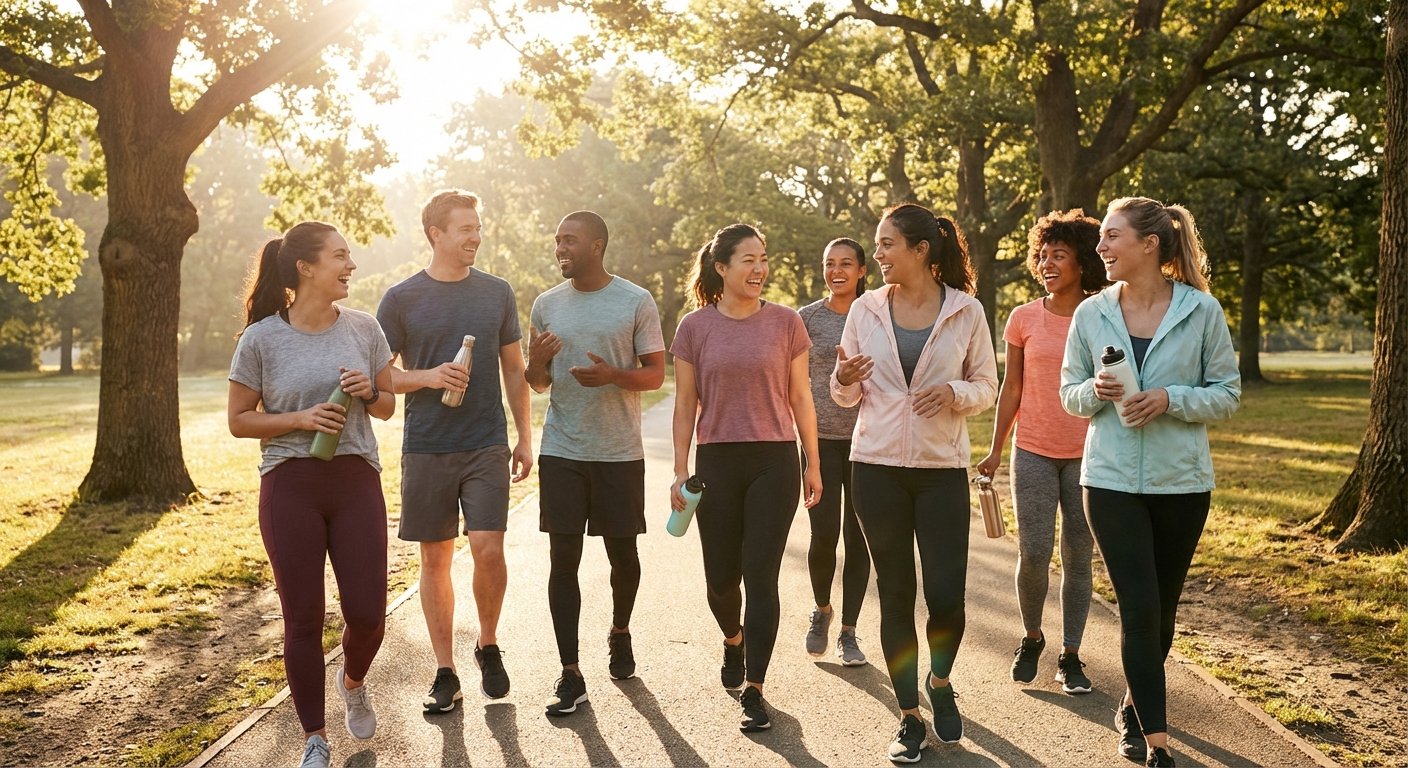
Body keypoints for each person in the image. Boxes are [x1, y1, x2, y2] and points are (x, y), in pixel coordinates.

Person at [1060, 197, 1240, 768]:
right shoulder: (1091, 313)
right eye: (1102, 239)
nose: (1101, 248)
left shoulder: (1201, 311)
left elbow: (1228, 395)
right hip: (1109, 481)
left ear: (1150, 244)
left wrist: (1170, 398)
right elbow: (1069, 395)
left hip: (1181, 484)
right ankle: (1156, 743)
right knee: (1138, 608)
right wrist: (1096, 392)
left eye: (1112, 236)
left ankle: (1136, 707)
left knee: (1161, 612)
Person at [832, 203, 997, 763]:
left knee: (946, 596)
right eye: (876, 246)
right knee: (896, 592)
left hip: (939, 471)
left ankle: (941, 681)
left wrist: (954, 394)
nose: (875, 256)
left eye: (885, 245)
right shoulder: (865, 310)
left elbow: (986, 387)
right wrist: (842, 378)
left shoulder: (966, 312)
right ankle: (907, 715)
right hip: (874, 467)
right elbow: (845, 395)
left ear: (921, 250)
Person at [227, 222, 394, 768]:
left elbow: (388, 404)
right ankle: (315, 738)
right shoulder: (261, 339)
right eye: (340, 256)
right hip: (290, 484)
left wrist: (370, 391)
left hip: (354, 479)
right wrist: (299, 418)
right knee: (303, 616)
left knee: (368, 613)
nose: (350, 266)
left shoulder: (365, 329)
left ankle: (353, 680)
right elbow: (238, 421)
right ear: (306, 267)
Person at [376, 190, 533, 713]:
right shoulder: (401, 299)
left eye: (477, 226)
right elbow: (380, 377)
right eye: (465, 228)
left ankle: (488, 644)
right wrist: (426, 377)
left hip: (485, 442)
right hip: (426, 447)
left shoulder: (496, 292)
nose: (475, 236)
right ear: (435, 234)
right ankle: (445, 671)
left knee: (488, 548)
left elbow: (515, 369)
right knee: (435, 558)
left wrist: (525, 437)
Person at [669, 223, 823, 733]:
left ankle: (755, 687)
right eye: (748, 260)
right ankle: (734, 640)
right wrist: (679, 470)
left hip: (773, 461)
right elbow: (686, 402)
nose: (759, 269)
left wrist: (813, 462)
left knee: (761, 575)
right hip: (716, 463)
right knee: (720, 581)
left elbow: (801, 397)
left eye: (763, 258)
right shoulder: (695, 327)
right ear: (722, 268)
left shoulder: (785, 324)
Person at [524, 211, 666, 717]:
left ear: (597, 245)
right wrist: (536, 363)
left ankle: (620, 630)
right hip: (562, 449)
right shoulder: (545, 305)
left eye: (570, 240)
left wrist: (611, 375)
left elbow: (653, 377)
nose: (560, 247)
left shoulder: (635, 301)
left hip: (617, 452)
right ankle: (569, 673)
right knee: (563, 562)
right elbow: (537, 383)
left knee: (622, 558)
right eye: (557, 240)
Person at [976, 209, 1107, 695]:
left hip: (1088, 453)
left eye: (1060, 255)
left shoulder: (1102, 314)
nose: (1048, 264)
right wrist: (994, 451)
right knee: (1033, 552)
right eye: (1043, 256)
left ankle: (1071, 655)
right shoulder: (1024, 318)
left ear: (1082, 263)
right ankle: (1032, 636)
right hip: (1031, 449)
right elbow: (1012, 387)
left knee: (1078, 555)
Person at [797, 238, 871, 665]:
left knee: (858, 537)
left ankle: (849, 631)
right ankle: (822, 609)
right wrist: (808, 450)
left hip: (867, 444)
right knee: (823, 535)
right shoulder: (806, 319)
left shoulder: (878, 314)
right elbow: (793, 384)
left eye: (846, 264)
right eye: (829, 263)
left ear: (862, 270)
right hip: (818, 442)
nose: (836, 270)